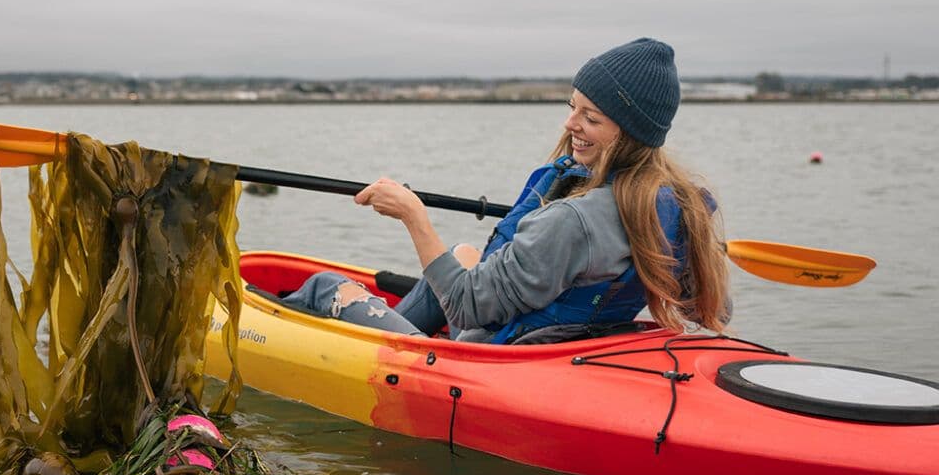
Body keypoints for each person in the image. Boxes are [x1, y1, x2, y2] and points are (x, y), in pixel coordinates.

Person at [281, 38, 731, 344]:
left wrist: (412, 215)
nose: (571, 124)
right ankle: (378, 333)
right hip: (560, 345)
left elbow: (466, 307)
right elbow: (715, 309)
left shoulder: (574, 220)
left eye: (591, 118)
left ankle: (272, 336)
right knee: (461, 254)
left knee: (326, 287)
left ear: (632, 133)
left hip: (493, 354)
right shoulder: (680, 204)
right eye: (573, 107)